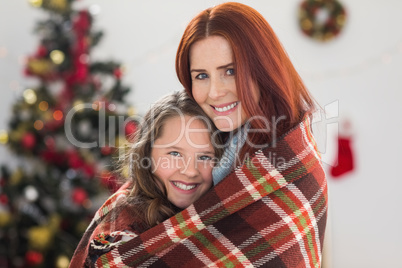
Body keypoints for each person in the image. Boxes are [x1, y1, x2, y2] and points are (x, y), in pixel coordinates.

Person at [73, 3, 327, 267]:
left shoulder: (292, 172)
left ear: (262, 70)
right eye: (202, 76)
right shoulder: (217, 133)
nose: (215, 92)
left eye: (230, 71)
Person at [68, 91, 223, 267]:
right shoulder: (123, 234)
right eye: (174, 153)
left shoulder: (221, 219)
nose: (190, 171)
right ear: (147, 154)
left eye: (204, 157)